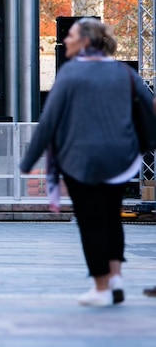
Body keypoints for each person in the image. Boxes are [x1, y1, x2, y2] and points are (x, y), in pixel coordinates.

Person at [20, 17, 152, 307]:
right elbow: (149, 106)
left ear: (85, 41)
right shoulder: (124, 73)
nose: (66, 40)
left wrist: (28, 160)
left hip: (81, 159)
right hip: (120, 157)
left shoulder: (71, 74)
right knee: (110, 217)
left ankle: (102, 288)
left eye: (72, 36)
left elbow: (49, 121)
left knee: (91, 221)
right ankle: (115, 277)